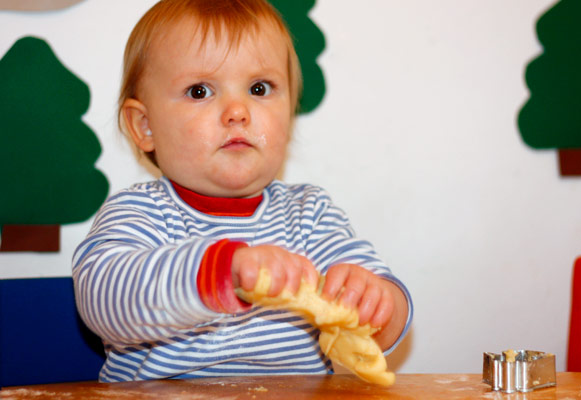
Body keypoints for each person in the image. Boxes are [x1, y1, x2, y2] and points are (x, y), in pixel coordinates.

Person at [73, 0, 412, 382]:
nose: (238, 111)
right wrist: (220, 271)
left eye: (259, 87)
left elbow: (385, 329)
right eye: (200, 91)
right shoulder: (140, 212)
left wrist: (377, 302)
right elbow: (102, 302)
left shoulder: (309, 214)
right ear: (145, 126)